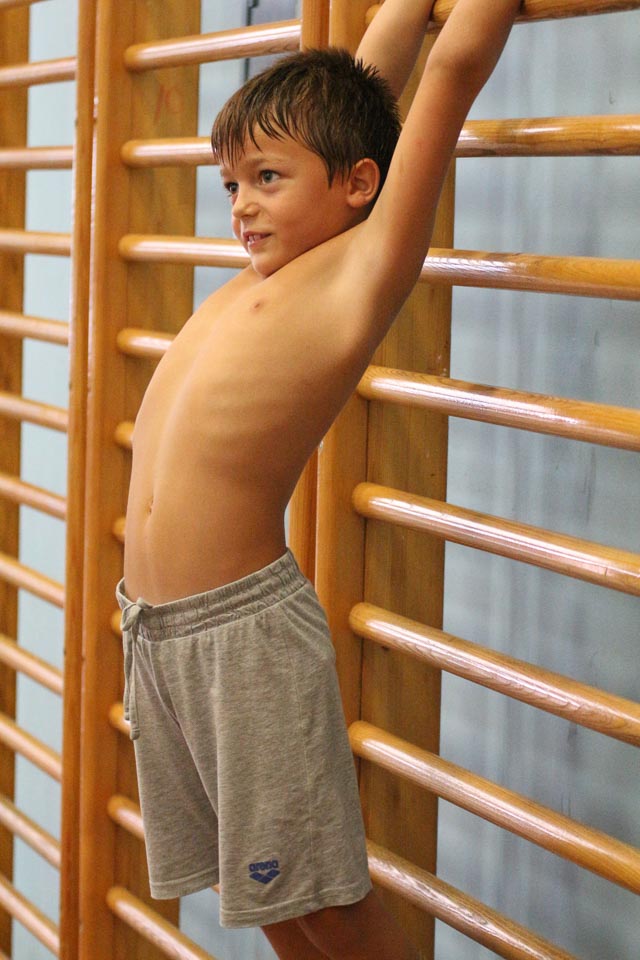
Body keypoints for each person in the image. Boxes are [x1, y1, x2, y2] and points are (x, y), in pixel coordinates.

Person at [116, 1, 522, 957]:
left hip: (241, 635)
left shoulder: (362, 270)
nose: (242, 205)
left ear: (359, 185)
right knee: (264, 892)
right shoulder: (268, 274)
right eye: (233, 183)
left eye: (267, 178)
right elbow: (355, 92)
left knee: (327, 902)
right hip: (157, 632)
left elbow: (449, 73)